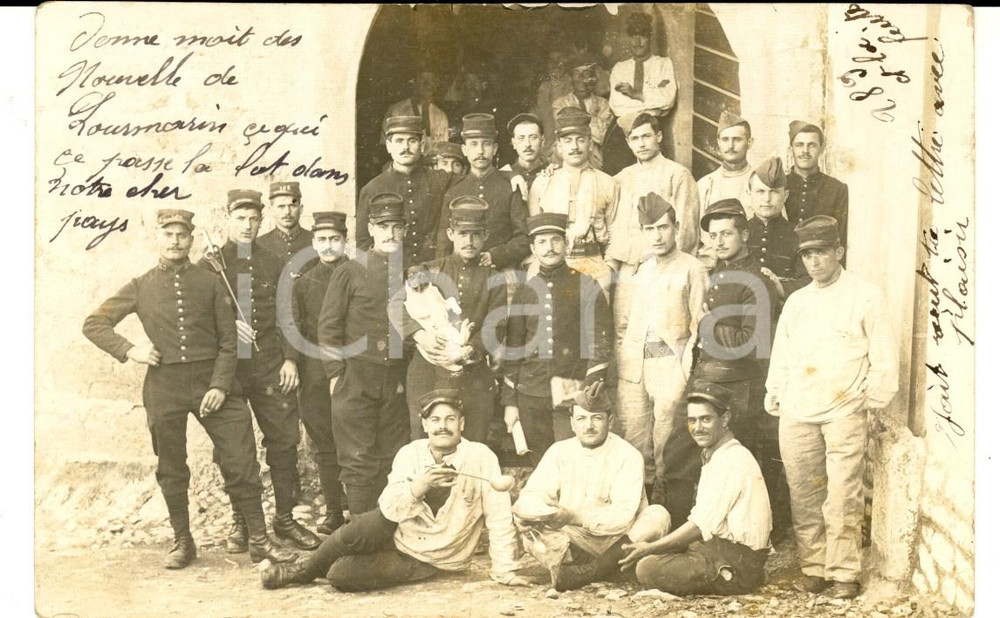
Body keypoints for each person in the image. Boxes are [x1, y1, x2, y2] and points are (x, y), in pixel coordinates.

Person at [82, 209, 295, 569]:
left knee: (242, 460)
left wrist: (219, 385)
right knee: (171, 465)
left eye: (182, 235)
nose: (175, 241)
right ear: (157, 238)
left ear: (191, 240)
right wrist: (130, 350)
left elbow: (230, 342)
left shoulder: (209, 281)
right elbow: (94, 323)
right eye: (168, 234)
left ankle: (259, 540)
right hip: (164, 386)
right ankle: (183, 541)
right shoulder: (140, 285)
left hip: (214, 383)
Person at [259, 389, 530, 591]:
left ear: (462, 424)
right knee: (368, 522)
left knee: (339, 575)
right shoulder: (410, 453)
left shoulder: (480, 457)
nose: (442, 426)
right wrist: (419, 487)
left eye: (450, 419)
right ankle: (302, 570)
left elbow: (499, 519)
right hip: (401, 537)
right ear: (425, 426)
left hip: (437, 558)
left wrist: (505, 570)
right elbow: (388, 509)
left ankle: (324, 563)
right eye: (435, 420)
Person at [766, 215, 899, 599]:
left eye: (821, 252)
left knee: (842, 494)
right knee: (804, 493)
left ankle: (843, 574)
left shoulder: (866, 294)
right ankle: (814, 568)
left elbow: (884, 354)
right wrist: (776, 389)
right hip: (798, 409)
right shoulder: (797, 301)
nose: (814, 262)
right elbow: (783, 353)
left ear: (838, 251)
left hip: (844, 409)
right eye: (807, 254)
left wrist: (870, 397)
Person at [198, 189, 320, 553]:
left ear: (261, 219)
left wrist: (290, 360)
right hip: (228, 370)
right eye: (240, 218)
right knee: (233, 450)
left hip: (269, 364)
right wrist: (227, 327)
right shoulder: (210, 265)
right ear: (227, 218)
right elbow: (199, 320)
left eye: (253, 218)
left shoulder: (273, 262)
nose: (248, 225)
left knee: (284, 442)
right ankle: (242, 522)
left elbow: (289, 315)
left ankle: (284, 519)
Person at [620, 380, 772, 596]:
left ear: (725, 419)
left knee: (647, 568)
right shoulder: (717, 454)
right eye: (692, 420)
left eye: (706, 419)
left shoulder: (732, 459)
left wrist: (652, 548)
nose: (697, 428)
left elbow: (699, 526)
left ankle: (737, 578)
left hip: (737, 557)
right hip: (717, 547)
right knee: (651, 557)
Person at [513, 383, 670, 591]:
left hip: (620, 538)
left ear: (610, 421)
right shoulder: (559, 451)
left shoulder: (628, 455)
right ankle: (611, 568)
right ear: (572, 423)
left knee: (658, 515)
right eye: (581, 418)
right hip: (575, 539)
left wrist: (573, 516)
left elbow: (622, 519)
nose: (589, 426)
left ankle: (588, 572)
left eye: (597, 418)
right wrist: (532, 514)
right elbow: (533, 494)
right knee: (530, 530)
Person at [695, 198, 789, 541]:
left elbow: (753, 343)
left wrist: (708, 326)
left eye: (727, 234)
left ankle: (753, 539)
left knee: (742, 463)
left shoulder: (756, 280)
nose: (719, 241)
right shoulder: (716, 273)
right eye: (713, 235)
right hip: (711, 380)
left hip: (741, 387)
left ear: (744, 234)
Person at [615, 193, 708, 522]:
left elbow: (700, 325)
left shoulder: (692, 269)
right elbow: (623, 321)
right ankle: (637, 510)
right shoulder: (638, 270)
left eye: (663, 227)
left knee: (666, 438)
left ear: (677, 228)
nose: (657, 235)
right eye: (649, 228)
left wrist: (686, 371)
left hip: (671, 363)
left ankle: (668, 512)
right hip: (634, 365)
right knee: (635, 437)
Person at [318, 193, 410, 515]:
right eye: (383, 226)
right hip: (355, 377)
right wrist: (335, 374)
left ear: (404, 230)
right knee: (358, 460)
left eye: (397, 227)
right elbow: (328, 326)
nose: (390, 234)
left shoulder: (412, 273)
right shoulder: (350, 271)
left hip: (394, 380)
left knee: (392, 456)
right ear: (371, 228)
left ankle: (387, 534)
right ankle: (359, 534)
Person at [393, 197, 507, 443]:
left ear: (485, 235)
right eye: (463, 233)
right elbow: (395, 306)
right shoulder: (430, 270)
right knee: (425, 442)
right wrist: (418, 334)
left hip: (472, 373)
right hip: (427, 370)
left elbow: (496, 326)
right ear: (451, 233)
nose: (469, 241)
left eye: (476, 234)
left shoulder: (495, 278)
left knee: (473, 442)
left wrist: (470, 349)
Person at [606, 114, 699, 354]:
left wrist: (668, 267)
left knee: (661, 331)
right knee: (623, 330)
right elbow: (615, 226)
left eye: (646, 136)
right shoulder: (621, 179)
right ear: (628, 143)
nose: (641, 143)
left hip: (663, 268)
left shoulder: (677, 175)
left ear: (658, 136)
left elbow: (686, 229)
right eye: (634, 138)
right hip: (628, 268)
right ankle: (629, 388)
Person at [289, 211, 351, 535]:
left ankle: (361, 508)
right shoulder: (303, 283)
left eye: (335, 240)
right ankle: (333, 512)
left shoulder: (360, 275)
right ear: (313, 243)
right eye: (322, 240)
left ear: (345, 241)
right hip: (315, 372)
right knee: (325, 445)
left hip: (352, 368)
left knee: (356, 441)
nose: (328, 246)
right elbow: (296, 328)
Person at [528, 106, 619, 292]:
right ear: (559, 146)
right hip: (550, 267)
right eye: (568, 141)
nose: (575, 147)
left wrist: (609, 268)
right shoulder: (543, 182)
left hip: (593, 264)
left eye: (581, 140)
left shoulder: (607, 183)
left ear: (590, 144)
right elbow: (535, 231)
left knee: (593, 319)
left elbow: (615, 231)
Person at [436, 113, 530, 271]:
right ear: (464, 150)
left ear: (494, 149)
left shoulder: (510, 187)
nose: (480, 150)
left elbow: (524, 238)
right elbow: (444, 243)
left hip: (500, 270)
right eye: (473, 144)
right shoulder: (454, 190)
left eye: (486, 144)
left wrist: (497, 255)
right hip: (462, 272)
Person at [357, 115, 454, 267]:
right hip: (391, 272)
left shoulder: (439, 180)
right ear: (388, 146)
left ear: (422, 145)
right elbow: (363, 243)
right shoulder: (372, 188)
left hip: (433, 270)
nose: (405, 148)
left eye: (412, 141)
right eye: (399, 141)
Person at [604, 11, 678, 175]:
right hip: (623, 130)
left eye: (642, 36)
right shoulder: (620, 68)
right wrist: (652, 96)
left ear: (650, 37)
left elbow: (668, 98)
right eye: (633, 36)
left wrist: (635, 94)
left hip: (653, 129)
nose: (637, 42)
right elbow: (618, 105)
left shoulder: (663, 64)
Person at [696, 111, 755, 264]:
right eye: (725, 139)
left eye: (737, 140)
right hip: (712, 266)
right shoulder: (705, 184)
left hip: (751, 264)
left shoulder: (760, 182)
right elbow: (695, 235)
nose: (730, 146)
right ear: (718, 143)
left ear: (750, 142)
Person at [746, 157, 810, 297]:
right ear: (749, 194)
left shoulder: (800, 235)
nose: (767, 199)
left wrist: (780, 287)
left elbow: (808, 281)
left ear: (785, 195)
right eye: (760, 191)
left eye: (774, 191)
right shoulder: (738, 233)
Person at [785, 121, 849, 250]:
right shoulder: (779, 186)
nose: (805, 151)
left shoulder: (837, 189)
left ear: (821, 149)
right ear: (791, 149)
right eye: (799, 145)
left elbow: (840, 238)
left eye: (812, 145)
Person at [552, 60, 614, 170]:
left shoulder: (603, 104)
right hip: (567, 159)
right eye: (577, 74)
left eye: (586, 74)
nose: (581, 78)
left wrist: (590, 117)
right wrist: (592, 117)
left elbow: (602, 137)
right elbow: (565, 133)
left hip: (597, 161)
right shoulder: (560, 104)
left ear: (592, 78)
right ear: (571, 79)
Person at [257, 181, 317, 277]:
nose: (287, 212)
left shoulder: (316, 242)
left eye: (292, 206)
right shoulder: (259, 244)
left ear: (301, 209)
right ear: (271, 210)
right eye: (281, 206)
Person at [384, 69, 450, 155]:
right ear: (414, 83)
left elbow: (443, 146)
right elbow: (387, 143)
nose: (428, 85)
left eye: (432, 81)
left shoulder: (440, 115)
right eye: (423, 81)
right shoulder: (398, 110)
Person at [500, 113, 547, 191]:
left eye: (533, 138)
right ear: (514, 143)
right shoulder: (503, 175)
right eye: (521, 138)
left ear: (542, 141)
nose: (527, 144)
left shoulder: (552, 173)